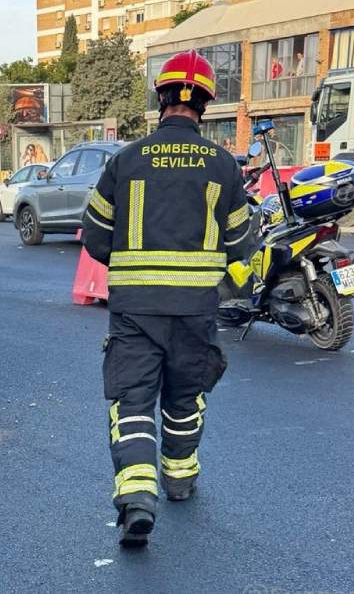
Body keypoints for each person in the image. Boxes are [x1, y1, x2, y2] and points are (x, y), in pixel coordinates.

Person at [81, 50, 253, 547]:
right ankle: (179, 480)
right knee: (183, 399)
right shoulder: (223, 166)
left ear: (161, 97)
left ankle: (137, 500)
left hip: (135, 311)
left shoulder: (125, 160)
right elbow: (243, 244)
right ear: (204, 102)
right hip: (196, 311)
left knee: (133, 404)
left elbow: (94, 236)